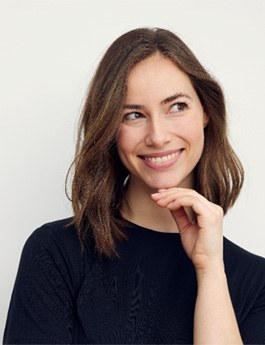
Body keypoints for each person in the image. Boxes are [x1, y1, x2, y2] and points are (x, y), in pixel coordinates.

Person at [3, 27, 265, 344]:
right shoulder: (56, 252)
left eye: (177, 106)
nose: (157, 135)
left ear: (206, 113)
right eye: (133, 115)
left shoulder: (255, 282)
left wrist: (210, 271)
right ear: (110, 127)